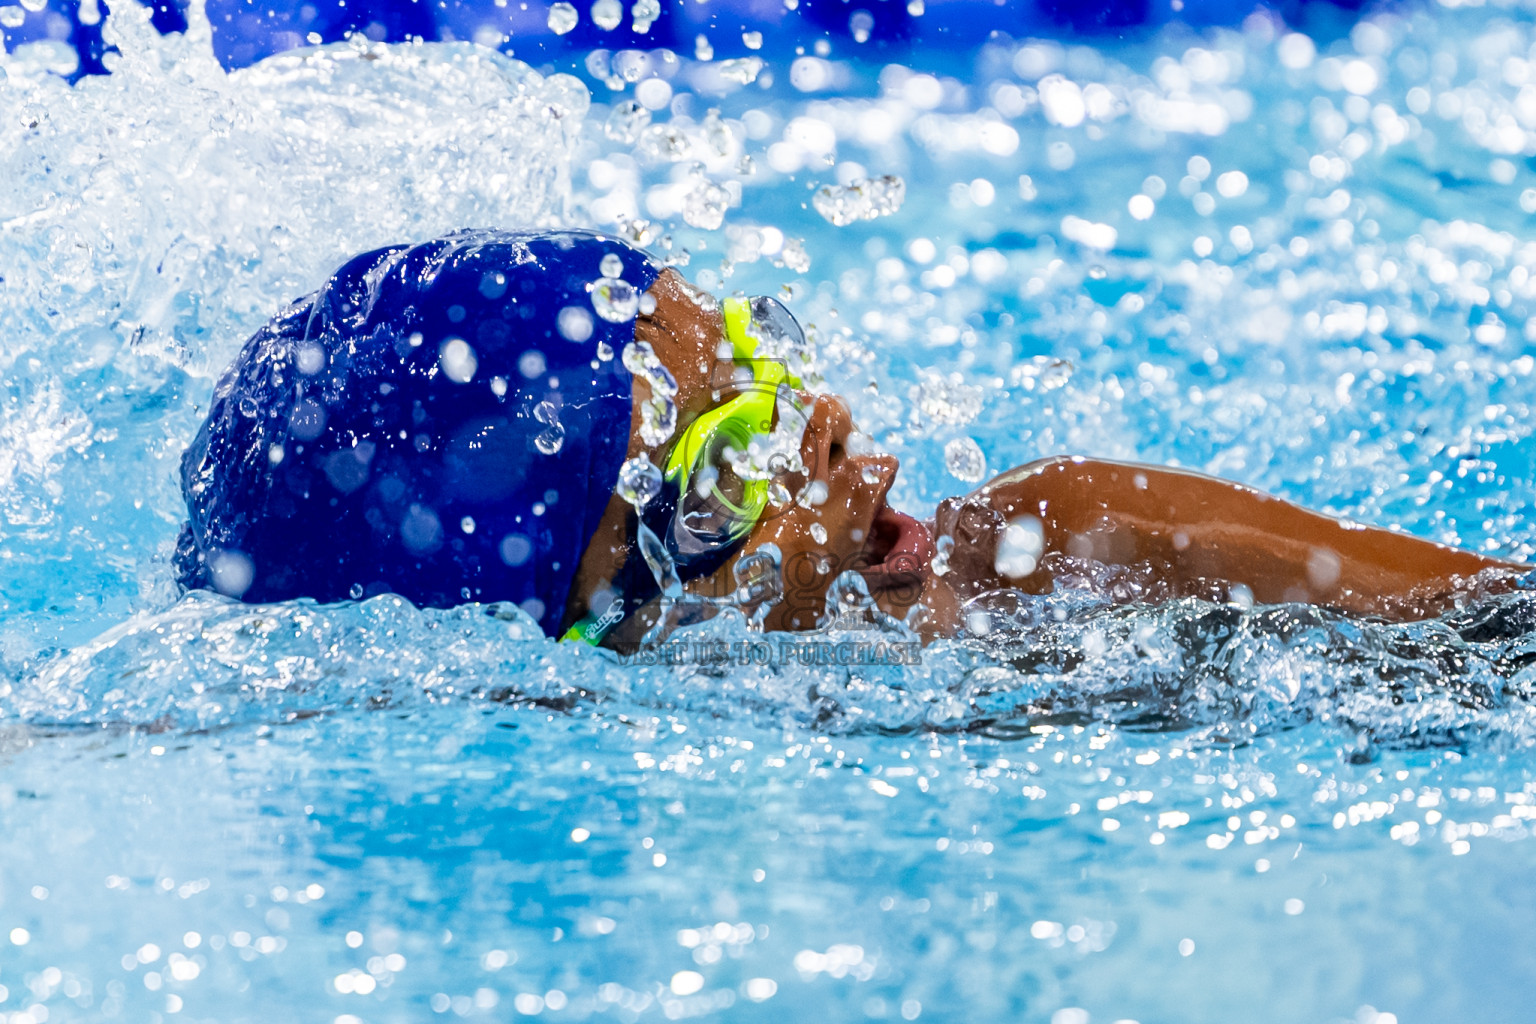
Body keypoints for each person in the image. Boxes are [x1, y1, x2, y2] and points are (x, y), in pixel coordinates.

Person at [176, 229, 1530, 649]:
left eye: (777, 378)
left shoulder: (1056, 550)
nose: (850, 462)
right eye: (722, 472)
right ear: (582, 617)